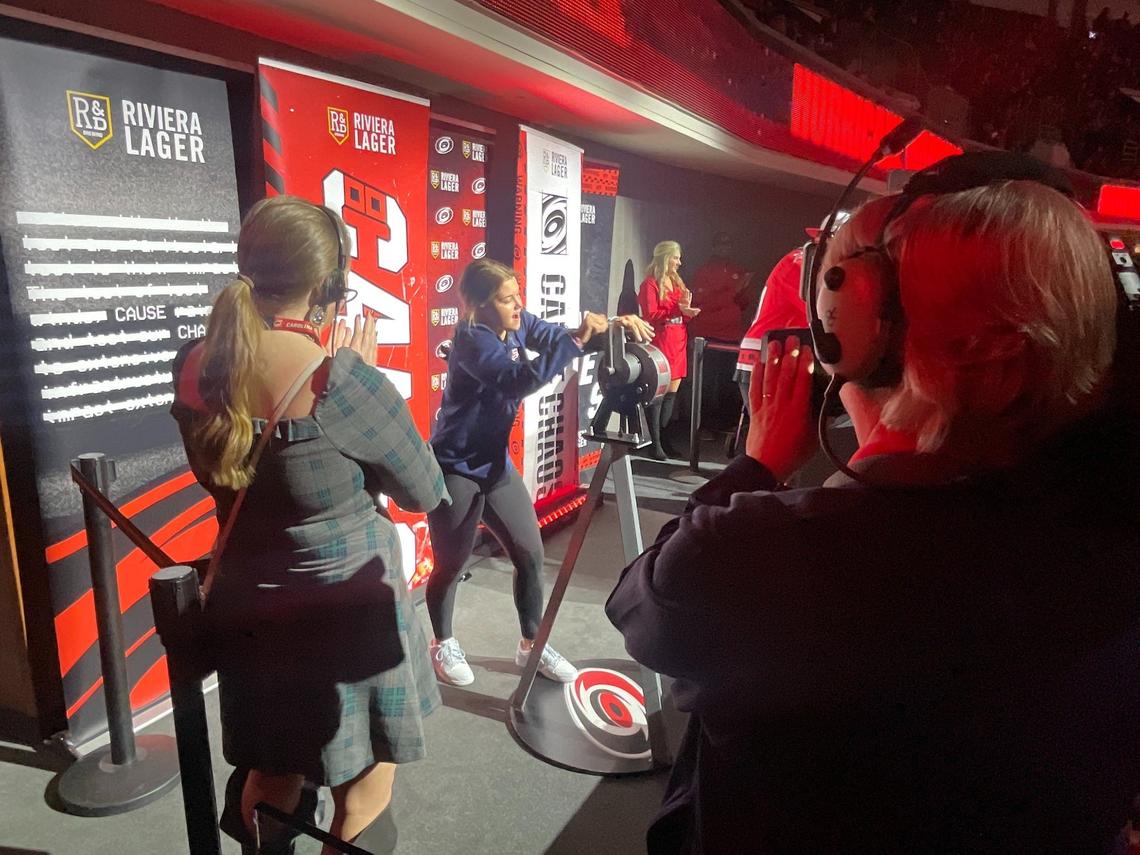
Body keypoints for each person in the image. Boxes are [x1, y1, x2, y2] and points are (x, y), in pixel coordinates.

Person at [607, 161, 1140, 853]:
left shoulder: (751, 559)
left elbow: (640, 603)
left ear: (850, 318)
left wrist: (757, 465)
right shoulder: (1109, 536)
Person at [171, 196, 448, 854]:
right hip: (346, 618)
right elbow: (424, 488)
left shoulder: (196, 363)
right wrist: (369, 378)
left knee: (272, 770)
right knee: (366, 789)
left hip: (251, 614)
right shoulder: (339, 381)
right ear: (328, 286)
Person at [426, 259, 652, 687]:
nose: (518, 305)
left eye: (517, 295)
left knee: (529, 554)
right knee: (451, 564)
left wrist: (613, 328)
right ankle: (442, 641)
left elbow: (561, 338)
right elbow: (515, 381)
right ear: (478, 304)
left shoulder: (516, 324)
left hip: (493, 465)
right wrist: (576, 339)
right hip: (455, 467)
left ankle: (532, 641)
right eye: (507, 298)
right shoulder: (471, 339)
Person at [637, 240, 700, 459]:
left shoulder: (677, 282)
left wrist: (687, 313)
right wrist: (676, 308)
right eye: (675, 257)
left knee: (672, 395)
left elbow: (679, 313)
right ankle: (654, 443)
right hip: (661, 341)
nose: (679, 262)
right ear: (665, 258)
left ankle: (664, 438)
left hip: (679, 340)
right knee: (658, 394)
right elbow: (650, 315)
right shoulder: (650, 284)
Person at [689, 232, 753, 431]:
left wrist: (743, 291)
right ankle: (705, 427)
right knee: (707, 383)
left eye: (729, 244)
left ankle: (727, 424)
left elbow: (743, 303)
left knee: (729, 380)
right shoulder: (704, 271)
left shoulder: (736, 269)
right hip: (709, 335)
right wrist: (732, 292)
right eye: (722, 245)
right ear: (714, 247)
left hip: (732, 335)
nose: (726, 248)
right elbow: (702, 303)